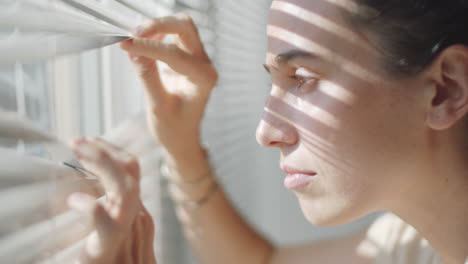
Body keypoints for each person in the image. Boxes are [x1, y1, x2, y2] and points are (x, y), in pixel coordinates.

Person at [66, 0, 468, 263]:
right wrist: (181, 146)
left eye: (303, 78)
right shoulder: (416, 244)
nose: (266, 133)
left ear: (445, 89)